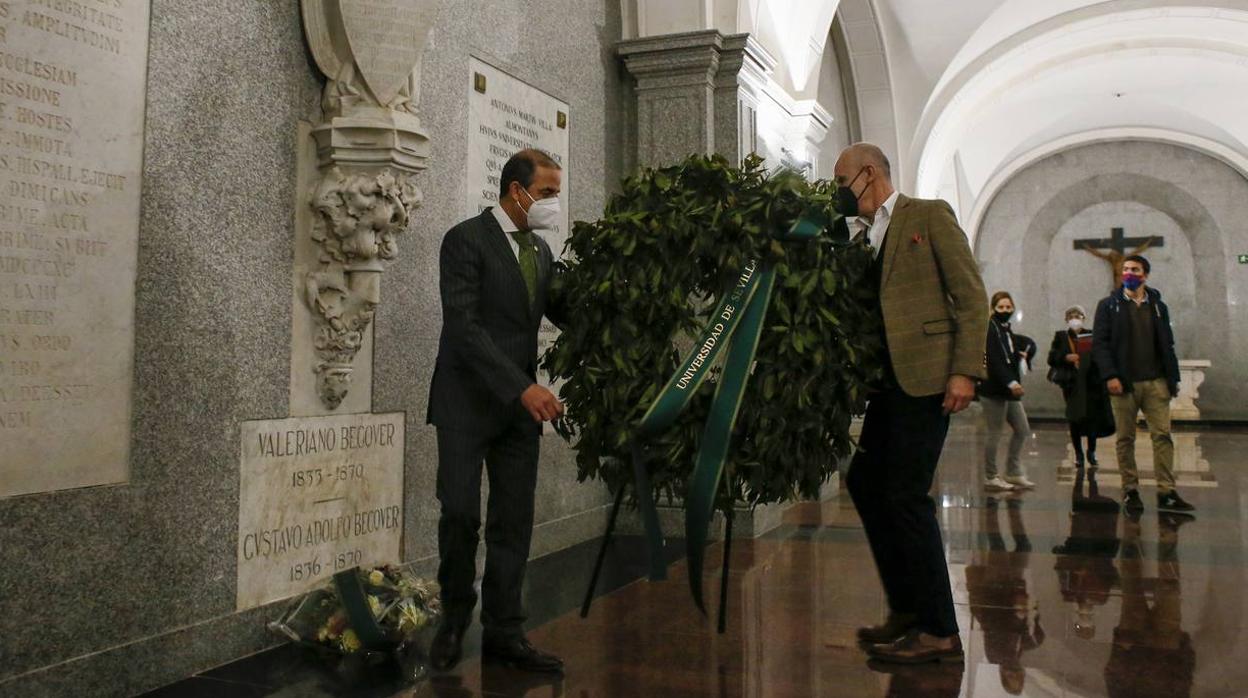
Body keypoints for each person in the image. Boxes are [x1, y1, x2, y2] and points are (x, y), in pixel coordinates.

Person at [835, 142, 989, 664]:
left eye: (842, 181)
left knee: (904, 493)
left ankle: (941, 630)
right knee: (865, 483)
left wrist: (965, 369)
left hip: (926, 377)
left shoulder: (927, 215)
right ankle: (906, 609)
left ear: (868, 174)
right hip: (888, 383)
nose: (839, 192)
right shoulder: (860, 236)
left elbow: (971, 296)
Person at [427, 149, 568, 673]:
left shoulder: (540, 251)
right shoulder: (465, 239)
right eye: (548, 193)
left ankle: (505, 631)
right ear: (517, 190)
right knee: (461, 515)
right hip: (465, 405)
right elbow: (464, 328)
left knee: (513, 521)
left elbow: (562, 308)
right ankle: (454, 619)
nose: (553, 203)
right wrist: (522, 389)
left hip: (515, 416)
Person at [1091, 255, 1193, 515]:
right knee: (1125, 438)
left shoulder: (1158, 306)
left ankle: (1166, 491)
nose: (1128, 273)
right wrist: (1110, 375)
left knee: (1162, 436)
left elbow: (1167, 344)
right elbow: (1100, 344)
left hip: (1156, 382)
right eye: (1125, 269)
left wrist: (1173, 380)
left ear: (1145, 274)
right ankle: (1130, 489)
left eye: (1134, 269)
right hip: (1125, 384)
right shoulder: (1108, 305)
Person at [980, 291, 1035, 491]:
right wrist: (1011, 382)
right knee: (994, 433)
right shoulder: (990, 328)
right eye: (1001, 307)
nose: (1005, 311)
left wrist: (1027, 351)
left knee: (1022, 429)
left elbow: (1024, 343)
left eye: (1008, 307)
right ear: (993, 308)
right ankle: (991, 475)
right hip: (994, 389)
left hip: (1008, 391)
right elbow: (994, 359)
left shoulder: (1006, 329)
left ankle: (1012, 472)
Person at [1047, 305, 1114, 467]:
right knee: (1074, 418)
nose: (1074, 319)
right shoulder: (1061, 336)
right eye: (1071, 316)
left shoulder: (1090, 335)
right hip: (1071, 383)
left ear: (1084, 318)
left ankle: (1091, 451)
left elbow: (1101, 354)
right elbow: (1052, 357)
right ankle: (1078, 454)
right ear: (1066, 319)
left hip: (1090, 382)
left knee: (1091, 417)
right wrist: (1065, 357)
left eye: (1078, 316)